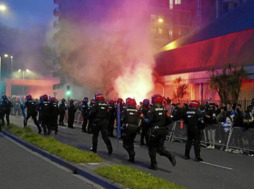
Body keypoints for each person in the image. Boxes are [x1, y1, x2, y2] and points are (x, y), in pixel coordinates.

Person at [146, 94, 176, 170]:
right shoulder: (164, 110)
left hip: (154, 131)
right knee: (160, 149)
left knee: (152, 148)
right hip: (163, 131)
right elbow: (170, 120)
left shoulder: (151, 110)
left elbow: (148, 121)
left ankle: (154, 164)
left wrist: (143, 119)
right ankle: (169, 155)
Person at [121, 98, 141, 162]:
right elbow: (141, 119)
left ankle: (131, 153)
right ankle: (131, 157)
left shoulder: (125, 110)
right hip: (135, 128)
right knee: (131, 142)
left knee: (125, 144)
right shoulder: (138, 111)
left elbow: (122, 119)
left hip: (127, 128)